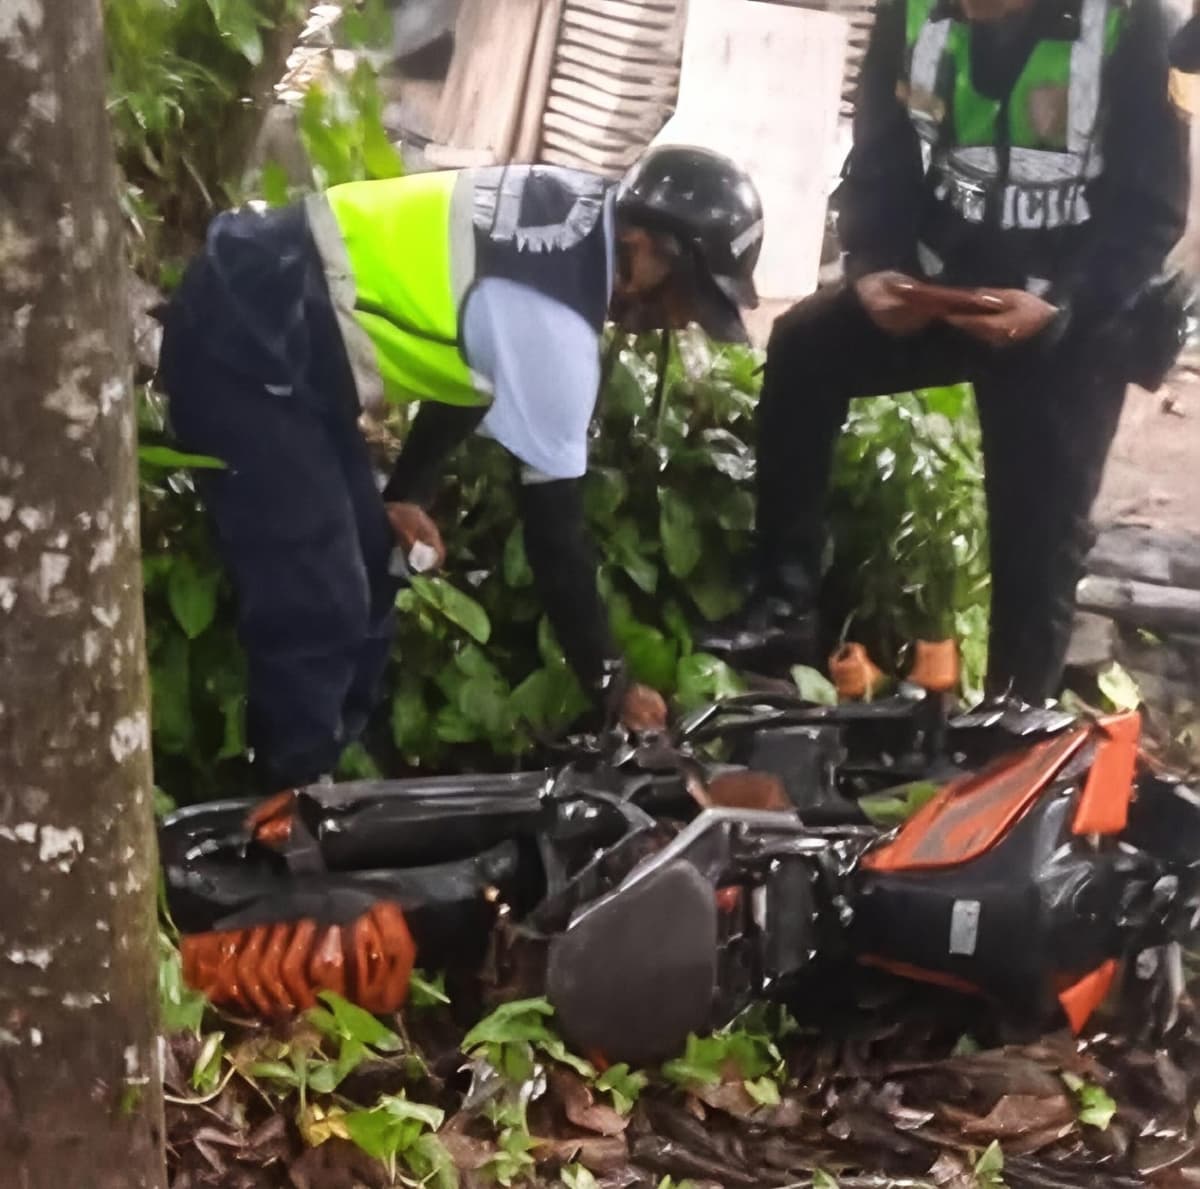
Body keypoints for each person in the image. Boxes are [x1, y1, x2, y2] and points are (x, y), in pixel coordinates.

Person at [157, 146, 764, 792]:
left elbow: (472, 360)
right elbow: (555, 538)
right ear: (643, 249)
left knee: (374, 566)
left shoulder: (577, 215)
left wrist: (406, 493)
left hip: (289, 328)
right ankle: (277, 823)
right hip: (251, 335)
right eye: (686, 300)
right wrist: (611, 681)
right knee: (324, 604)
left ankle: (323, 788)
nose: (681, 320)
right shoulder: (555, 323)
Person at [705, 0, 1189, 703]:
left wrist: (1061, 307)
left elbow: (1152, 213)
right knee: (806, 346)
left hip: (1070, 314)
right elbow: (878, 160)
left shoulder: (1134, 25)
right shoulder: (912, 10)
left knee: (1040, 534)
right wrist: (876, 266)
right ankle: (783, 606)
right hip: (944, 286)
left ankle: (1013, 720)